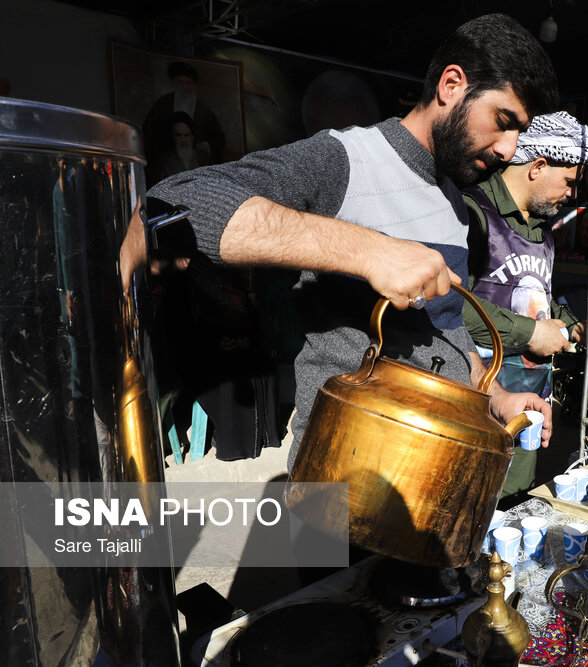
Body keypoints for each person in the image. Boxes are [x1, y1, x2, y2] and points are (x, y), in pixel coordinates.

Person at [147, 13, 560, 475]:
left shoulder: (455, 203)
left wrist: (496, 396)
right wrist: (370, 251)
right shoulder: (346, 158)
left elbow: (449, 328)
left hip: (430, 469)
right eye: (503, 122)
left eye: (519, 132)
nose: (509, 149)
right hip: (343, 472)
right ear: (451, 85)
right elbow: (177, 204)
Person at [463, 110, 588, 499]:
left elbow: (537, 296)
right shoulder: (473, 213)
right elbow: (451, 307)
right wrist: (532, 333)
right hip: (478, 410)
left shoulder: (542, 228)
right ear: (537, 167)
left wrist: (572, 325)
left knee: (516, 503)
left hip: (530, 411)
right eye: (569, 182)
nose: (572, 195)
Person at [143, 61, 226, 172]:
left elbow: (218, 138)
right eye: (180, 83)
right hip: (168, 161)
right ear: (173, 83)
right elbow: (149, 135)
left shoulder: (203, 110)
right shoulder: (163, 104)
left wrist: (206, 146)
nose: (185, 87)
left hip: (196, 162)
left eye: (188, 83)